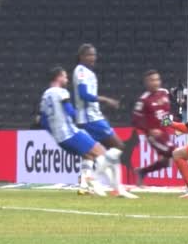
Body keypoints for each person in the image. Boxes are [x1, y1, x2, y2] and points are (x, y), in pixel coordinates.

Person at [41, 66, 137, 198]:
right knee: (103, 154)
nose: (67, 79)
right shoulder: (61, 92)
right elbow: (69, 110)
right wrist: (77, 118)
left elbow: (43, 121)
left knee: (88, 156)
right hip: (70, 133)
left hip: (60, 138)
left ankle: (83, 187)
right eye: (64, 76)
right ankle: (111, 187)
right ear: (58, 77)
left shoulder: (45, 96)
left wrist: (55, 134)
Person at [73, 44, 126, 195]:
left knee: (89, 153)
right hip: (91, 119)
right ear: (81, 57)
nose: (93, 58)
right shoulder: (81, 71)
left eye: (94, 55)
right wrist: (105, 99)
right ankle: (96, 179)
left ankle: (84, 185)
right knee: (119, 146)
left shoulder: (86, 72)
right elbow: (83, 94)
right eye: (89, 55)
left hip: (88, 118)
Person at [132, 70, 188, 188]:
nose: (156, 82)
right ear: (146, 82)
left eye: (157, 79)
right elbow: (135, 120)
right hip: (154, 137)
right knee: (176, 152)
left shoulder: (164, 93)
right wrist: (149, 130)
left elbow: (170, 109)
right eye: (152, 80)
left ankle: (142, 172)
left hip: (165, 132)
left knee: (166, 163)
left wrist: (174, 120)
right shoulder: (143, 100)